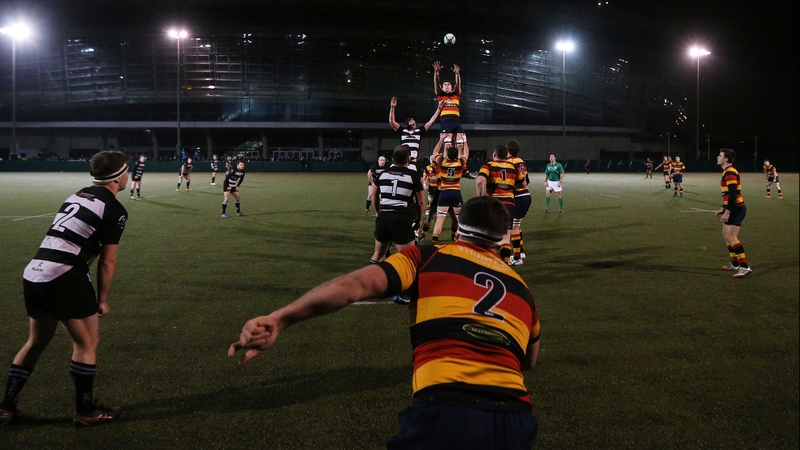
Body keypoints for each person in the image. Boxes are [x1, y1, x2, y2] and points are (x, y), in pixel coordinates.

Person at [228, 196, 541, 449]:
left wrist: (280, 319)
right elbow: (528, 361)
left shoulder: (428, 256)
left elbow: (354, 286)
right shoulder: (522, 290)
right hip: (517, 419)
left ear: (458, 229)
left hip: (449, 409)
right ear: (501, 240)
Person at [0, 151, 130, 427]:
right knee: (87, 344)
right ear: (119, 177)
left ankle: (6, 407)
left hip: (34, 272)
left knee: (35, 342)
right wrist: (102, 299)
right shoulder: (115, 209)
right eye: (126, 171)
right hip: (64, 275)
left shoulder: (77, 195)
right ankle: (85, 410)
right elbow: (108, 261)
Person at [369, 145, 425, 263]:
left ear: (393, 159)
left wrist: (378, 211)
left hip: (383, 217)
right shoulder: (413, 175)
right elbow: (420, 202)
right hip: (401, 218)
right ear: (408, 159)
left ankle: (372, 280)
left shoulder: (383, 174)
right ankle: (407, 281)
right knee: (409, 258)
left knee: (378, 256)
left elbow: (373, 194)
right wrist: (419, 220)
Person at [477, 145, 523, 264]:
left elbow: (480, 181)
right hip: (509, 204)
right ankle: (505, 266)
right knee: (506, 236)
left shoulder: (488, 165)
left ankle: (489, 263)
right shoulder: (513, 167)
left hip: (494, 203)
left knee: (490, 235)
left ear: (494, 155)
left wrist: (480, 198)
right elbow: (522, 184)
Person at [716, 148, 753, 278]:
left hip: (736, 209)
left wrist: (727, 211)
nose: (717, 157)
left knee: (732, 237)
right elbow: (728, 194)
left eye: (720, 156)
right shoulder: (727, 171)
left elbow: (733, 194)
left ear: (726, 159)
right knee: (726, 235)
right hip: (732, 207)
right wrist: (723, 207)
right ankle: (735, 264)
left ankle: (745, 267)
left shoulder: (730, 172)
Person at [429, 133, 470, 245]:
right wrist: (465, 141)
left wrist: (441, 140)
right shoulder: (460, 163)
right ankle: (463, 239)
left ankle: (435, 239)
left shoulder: (442, 162)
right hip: (455, 192)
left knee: (440, 218)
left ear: (447, 154)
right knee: (459, 218)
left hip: (444, 192)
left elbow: (435, 153)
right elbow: (466, 154)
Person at [389, 97, 443, 171]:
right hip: (404, 162)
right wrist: (392, 108)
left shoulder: (419, 131)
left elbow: (431, 121)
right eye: (411, 121)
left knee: (418, 179)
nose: (413, 122)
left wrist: (439, 109)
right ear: (407, 124)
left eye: (414, 121)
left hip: (414, 161)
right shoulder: (402, 131)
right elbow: (392, 121)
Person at [507, 140, 531, 265]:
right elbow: (527, 180)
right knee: (517, 225)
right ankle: (521, 251)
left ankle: (517, 258)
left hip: (519, 196)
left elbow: (517, 181)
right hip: (525, 195)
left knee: (514, 227)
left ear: (508, 149)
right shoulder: (521, 161)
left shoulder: (510, 162)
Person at [433, 61, 463, 134]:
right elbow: (436, 84)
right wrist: (436, 73)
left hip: (456, 120)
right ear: (442, 88)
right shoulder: (440, 95)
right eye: (445, 84)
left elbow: (458, 84)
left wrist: (457, 74)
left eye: (448, 84)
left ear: (451, 88)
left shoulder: (456, 95)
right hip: (445, 121)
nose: (447, 85)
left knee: (459, 143)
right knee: (447, 143)